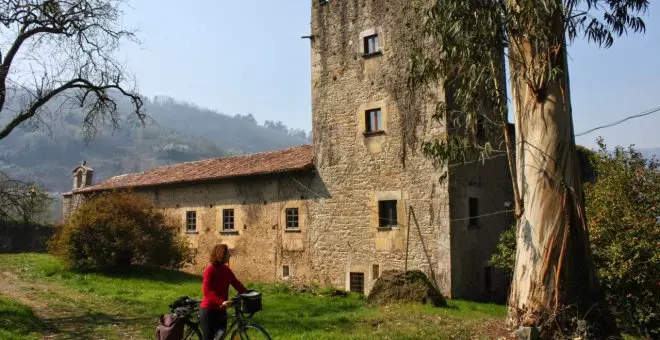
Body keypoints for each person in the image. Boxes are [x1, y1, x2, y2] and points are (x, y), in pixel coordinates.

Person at [200, 244, 247, 340]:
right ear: (221, 255)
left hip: (221, 310)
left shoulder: (226, 270)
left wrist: (247, 293)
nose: (229, 256)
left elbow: (236, 283)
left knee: (220, 337)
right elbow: (207, 291)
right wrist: (221, 301)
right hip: (209, 311)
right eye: (227, 254)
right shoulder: (210, 270)